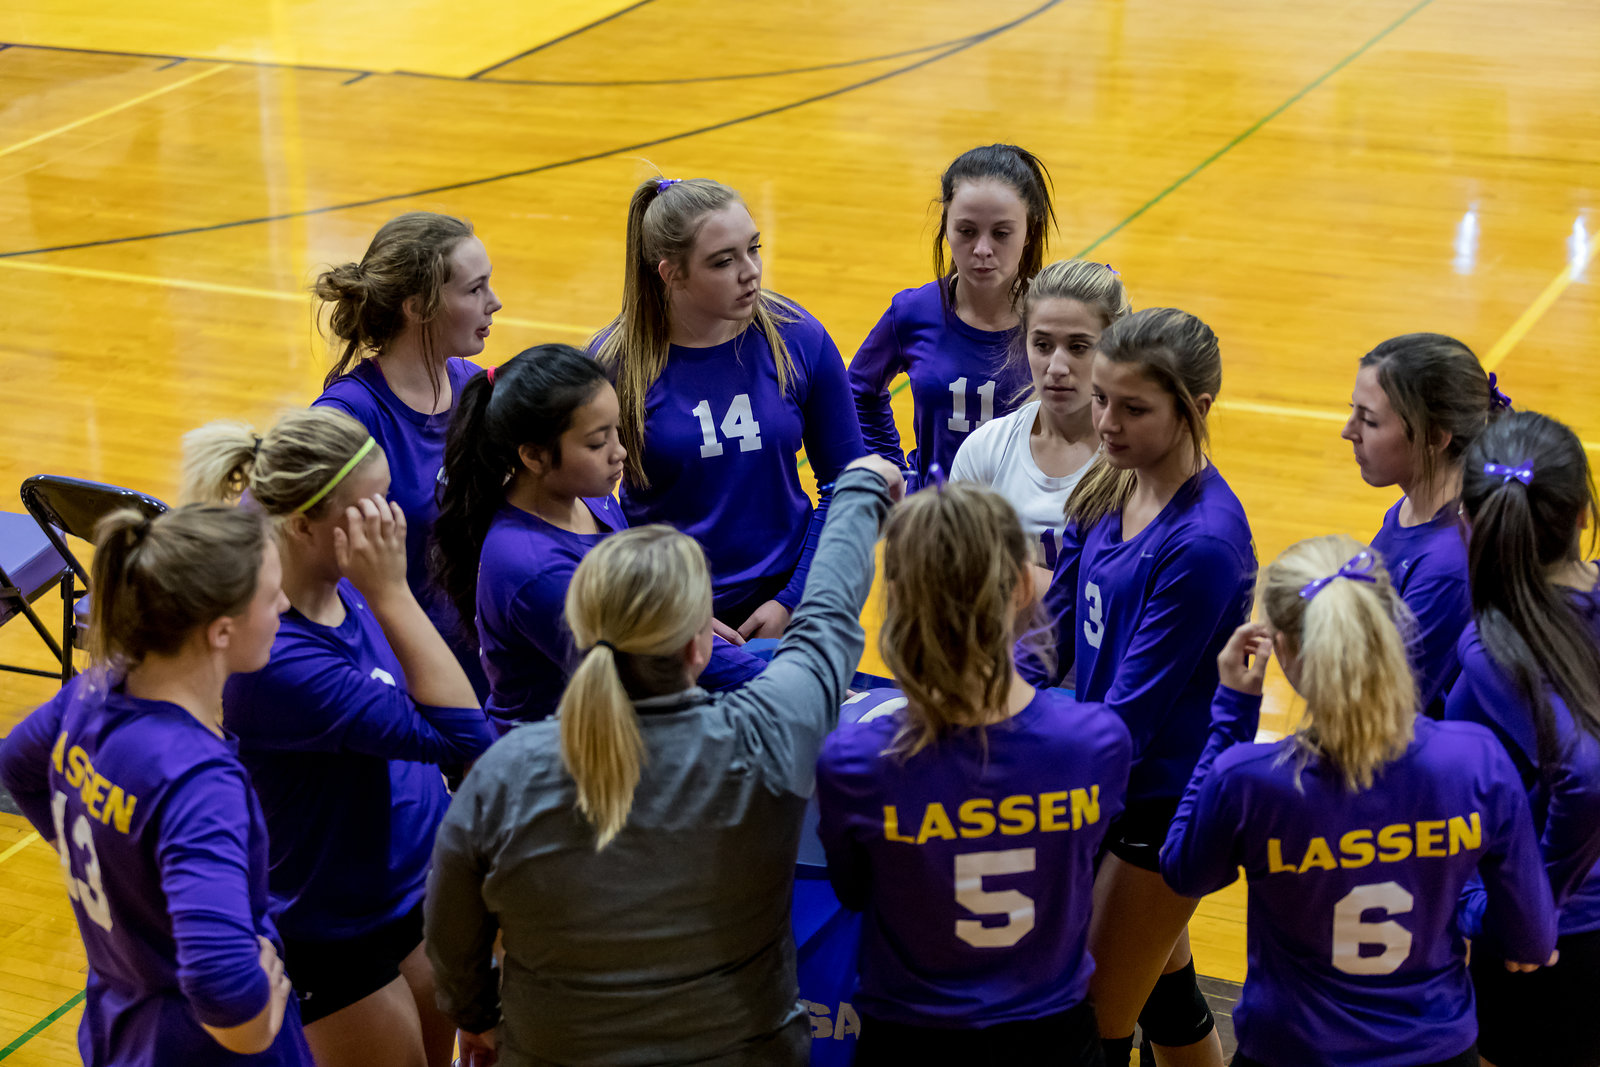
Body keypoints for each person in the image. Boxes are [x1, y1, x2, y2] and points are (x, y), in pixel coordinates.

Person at [424, 455, 905, 1067]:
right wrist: (860, 490)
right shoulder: (766, 733)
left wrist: (475, 1016)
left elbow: (449, 927)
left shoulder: (506, 771)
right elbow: (827, 624)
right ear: (700, 645)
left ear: (581, 625)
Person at [1162, 535, 1559, 1067]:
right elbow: (1531, 941)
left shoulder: (1252, 780)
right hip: (1435, 1052)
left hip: (1290, 1051)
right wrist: (1453, 894)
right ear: (1389, 630)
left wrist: (1232, 713)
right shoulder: (1475, 761)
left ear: (1282, 649)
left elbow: (1183, 872)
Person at [183, 409, 494, 1067]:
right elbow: (464, 734)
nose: (392, 520)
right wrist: (392, 592)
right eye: (371, 506)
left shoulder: (333, 576)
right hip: (331, 925)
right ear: (302, 524)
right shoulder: (278, 658)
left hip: (409, 883)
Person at [815, 482, 1131, 1065]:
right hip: (1051, 1041)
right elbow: (1077, 870)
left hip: (910, 1041)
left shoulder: (854, 762)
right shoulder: (1096, 742)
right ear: (1019, 587)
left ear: (899, 598)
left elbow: (855, 890)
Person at [1020, 307, 1255, 1066]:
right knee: (1165, 996)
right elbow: (1049, 629)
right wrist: (998, 706)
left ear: (1198, 410)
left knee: (1092, 1026)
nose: (1107, 423)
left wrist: (1026, 757)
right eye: (1101, 400)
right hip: (1108, 774)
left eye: (1133, 408)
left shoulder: (1205, 543)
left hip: (1159, 803)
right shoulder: (1112, 479)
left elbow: (1132, 714)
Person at [0, 505, 313, 1066]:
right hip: (204, 1048)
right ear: (221, 631)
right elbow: (222, 981)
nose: (285, 607)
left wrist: (104, 856)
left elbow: (17, 765)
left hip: (118, 1024)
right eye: (272, 597)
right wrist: (254, 1031)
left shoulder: (91, 692)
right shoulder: (197, 780)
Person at [431, 342, 765, 732]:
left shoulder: (590, 500)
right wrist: (784, 689)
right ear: (534, 456)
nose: (619, 452)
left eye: (616, 432)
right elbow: (647, 671)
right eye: (596, 442)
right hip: (564, 766)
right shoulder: (534, 569)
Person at [593, 176, 865, 639]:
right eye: (724, 261)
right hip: (666, 617)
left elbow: (850, 482)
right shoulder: (613, 366)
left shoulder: (796, 337)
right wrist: (668, 608)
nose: (751, 271)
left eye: (753, 248)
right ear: (671, 273)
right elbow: (586, 507)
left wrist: (793, 599)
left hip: (795, 607)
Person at [1448, 411, 1600, 1067]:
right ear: (1581, 516)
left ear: (1467, 525)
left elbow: (1589, 775)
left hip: (1554, 945)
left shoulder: (1492, 646)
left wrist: (1535, 908)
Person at [313, 210, 502, 694]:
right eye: (474, 289)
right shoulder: (349, 417)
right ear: (417, 307)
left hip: (480, 658)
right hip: (401, 676)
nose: (494, 303)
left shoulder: (474, 388)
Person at [849, 144, 1056, 489]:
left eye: (1002, 233)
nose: (982, 250)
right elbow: (858, 392)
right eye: (967, 231)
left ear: (1029, 231)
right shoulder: (913, 313)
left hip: (1022, 531)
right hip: (934, 527)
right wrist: (898, 475)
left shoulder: (1055, 322)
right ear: (946, 227)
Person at [1341, 332, 1507, 716]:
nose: (1348, 431)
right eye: (1353, 412)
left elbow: (1374, 713)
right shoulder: (1409, 509)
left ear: (1435, 436)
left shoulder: (1449, 564)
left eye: (1368, 421)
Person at [950, 258, 1129, 579]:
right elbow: (954, 585)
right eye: (1043, 345)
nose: (1056, 367)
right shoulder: (985, 450)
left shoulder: (1137, 467)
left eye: (1078, 347)